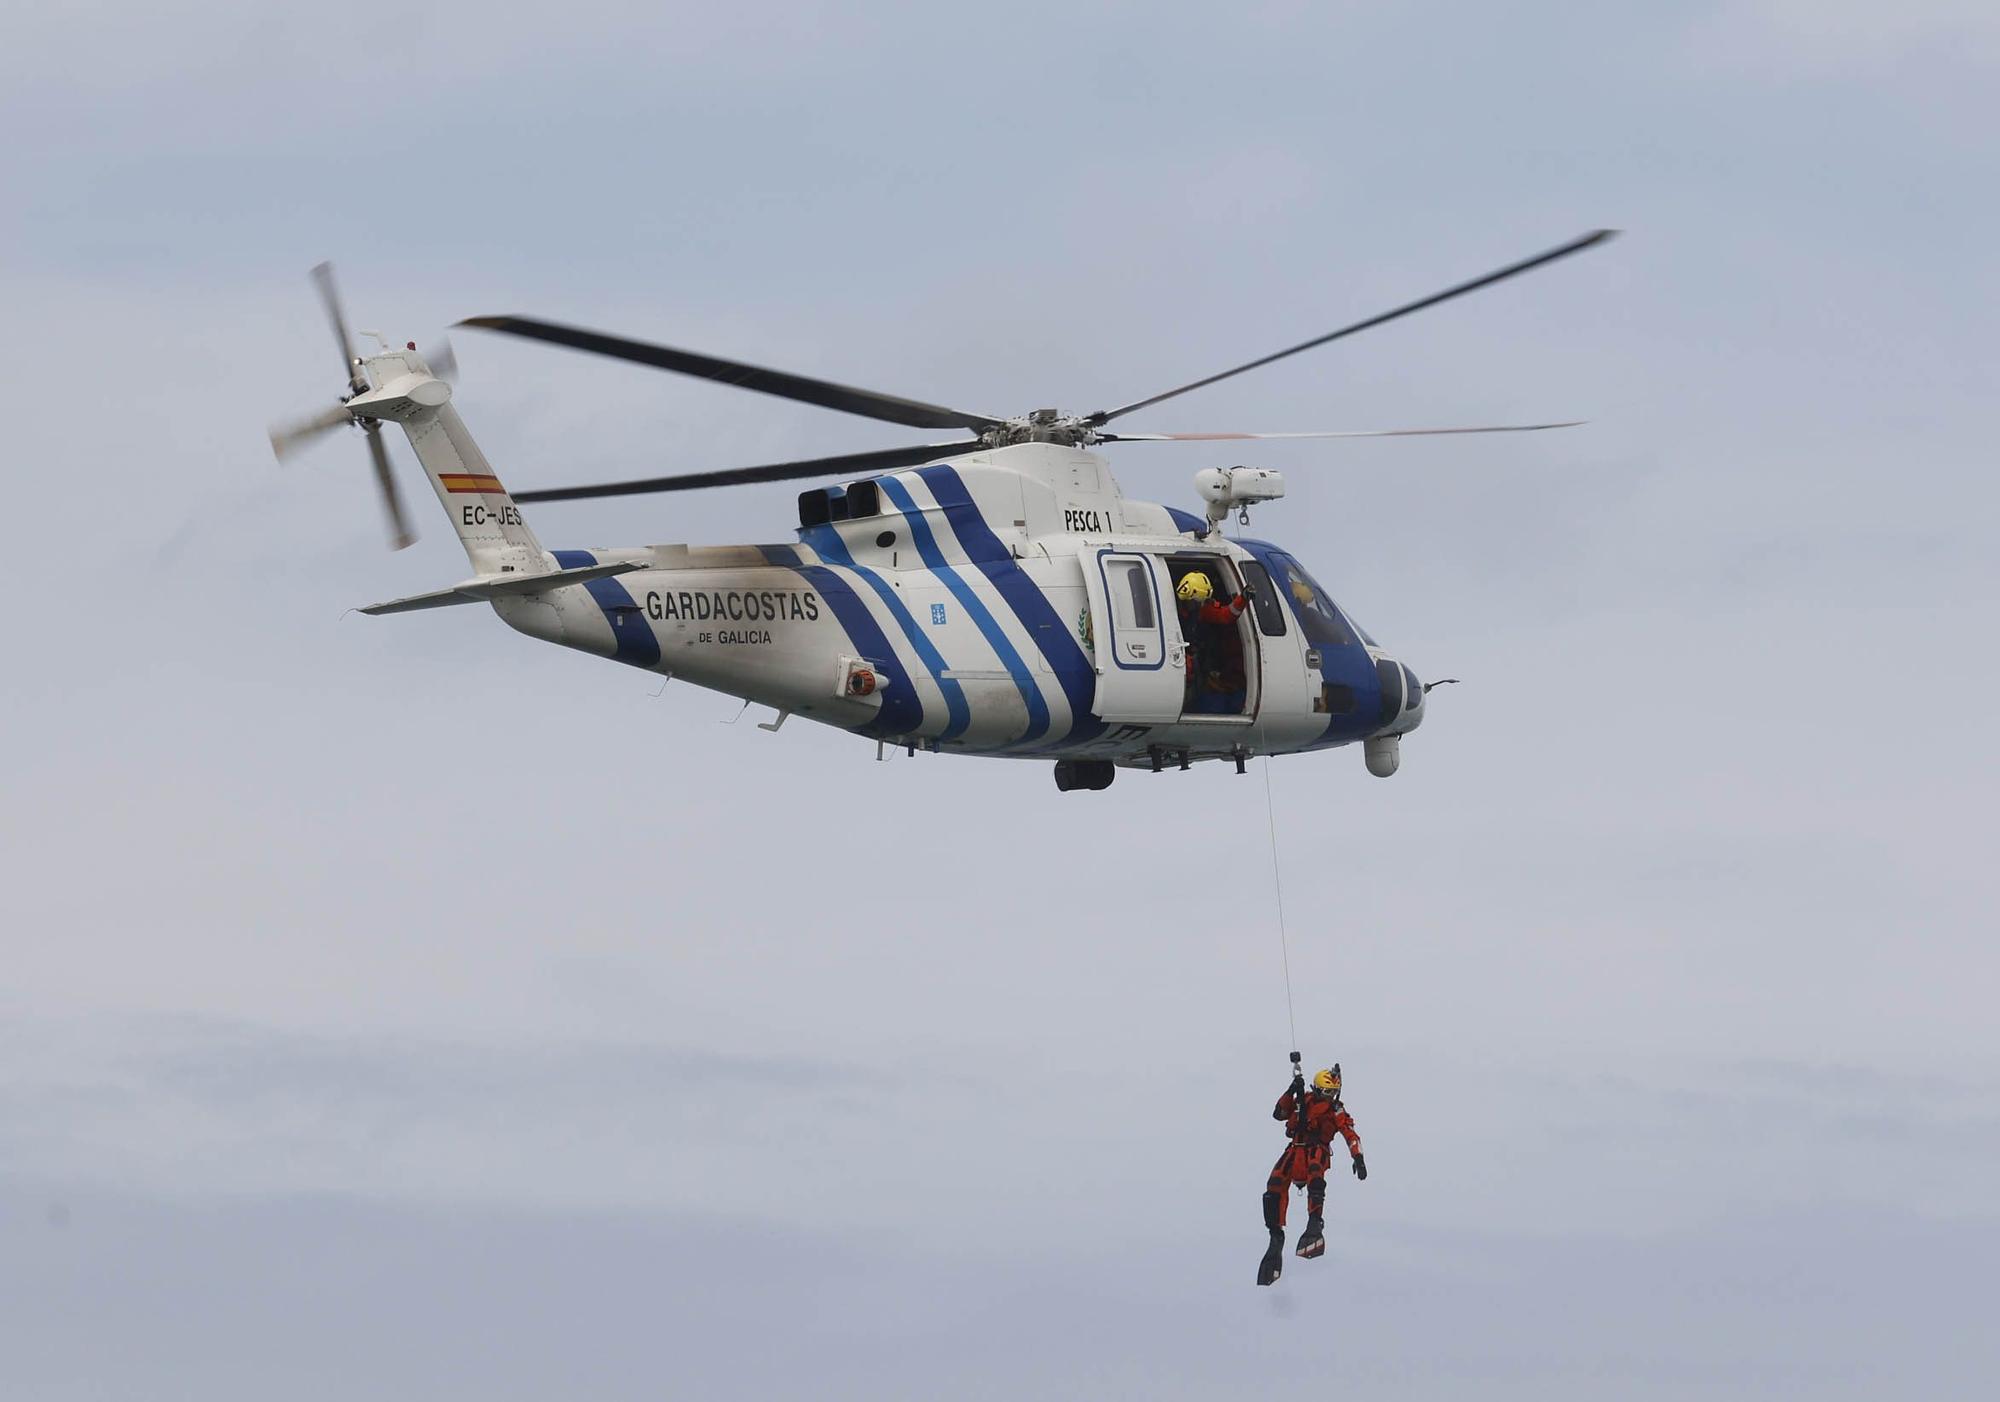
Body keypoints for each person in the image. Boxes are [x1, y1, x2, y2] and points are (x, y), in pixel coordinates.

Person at [1257, 1063, 1366, 1285]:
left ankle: (1315, 1222)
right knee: (1274, 1185)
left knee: (1316, 1175)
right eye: (1327, 1093)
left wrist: (1358, 1157)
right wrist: (1291, 1090)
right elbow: (1279, 1113)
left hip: (1317, 1149)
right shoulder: (1301, 1100)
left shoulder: (1336, 1111)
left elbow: (1349, 1132)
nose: (1330, 1097)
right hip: (1295, 1148)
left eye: (1333, 1093)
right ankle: (1275, 1235)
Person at [1174, 571, 1251, 712]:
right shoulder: (1177, 612)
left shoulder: (1203, 611)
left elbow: (1226, 615)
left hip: (1198, 664)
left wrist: (1243, 599)